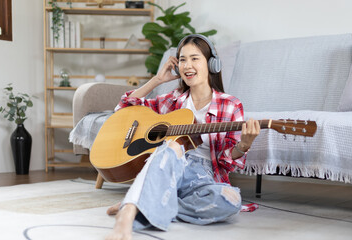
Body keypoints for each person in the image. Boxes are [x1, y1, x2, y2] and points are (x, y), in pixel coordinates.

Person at [105, 34, 260, 240]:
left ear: (211, 64)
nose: (187, 65)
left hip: (204, 176)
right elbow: (122, 108)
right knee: (172, 147)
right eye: (183, 59)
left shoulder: (231, 104)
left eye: (195, 58)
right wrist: (157, 80)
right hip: (169, 164)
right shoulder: (173, 100)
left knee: (231, 201)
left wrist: (244, 144)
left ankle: (147, 202)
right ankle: (127, 216)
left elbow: (226, 162)